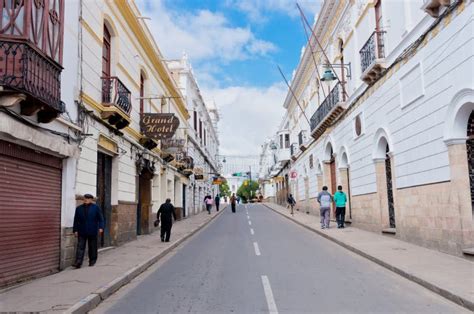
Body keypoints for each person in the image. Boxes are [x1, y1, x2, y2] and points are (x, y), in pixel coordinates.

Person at [72, 194, 104, 268]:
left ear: (91, 200)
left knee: (92, 246)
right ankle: (78, 262)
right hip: (81, 230)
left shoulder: (96, 208)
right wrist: (75, 230)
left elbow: (101, 218)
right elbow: (76, 220)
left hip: (92, 230)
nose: (86, 200)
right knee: (80, 246)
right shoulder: (79, 208)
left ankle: (92, 261)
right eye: (85, 198)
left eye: (88, 198)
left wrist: (101, 227)